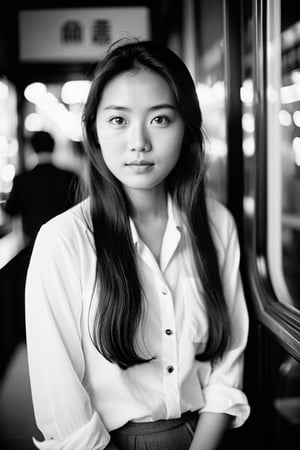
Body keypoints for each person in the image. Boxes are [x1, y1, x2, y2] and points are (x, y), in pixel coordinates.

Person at [25, 39, 250, 450]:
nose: (139, 142)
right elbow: (64, 409)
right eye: (118, 120)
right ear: (93, 128)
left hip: (206, 436)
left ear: (187, 128)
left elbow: (226, 368)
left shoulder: (217, 224)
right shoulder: (63, 241)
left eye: (161, 119)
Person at [4, 130, 80, 243]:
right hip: (65, 241)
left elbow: (10, 210)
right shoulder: (70, 177)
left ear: (32, 148)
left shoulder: (22, 180)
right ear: (53, 146)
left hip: (34, 242)